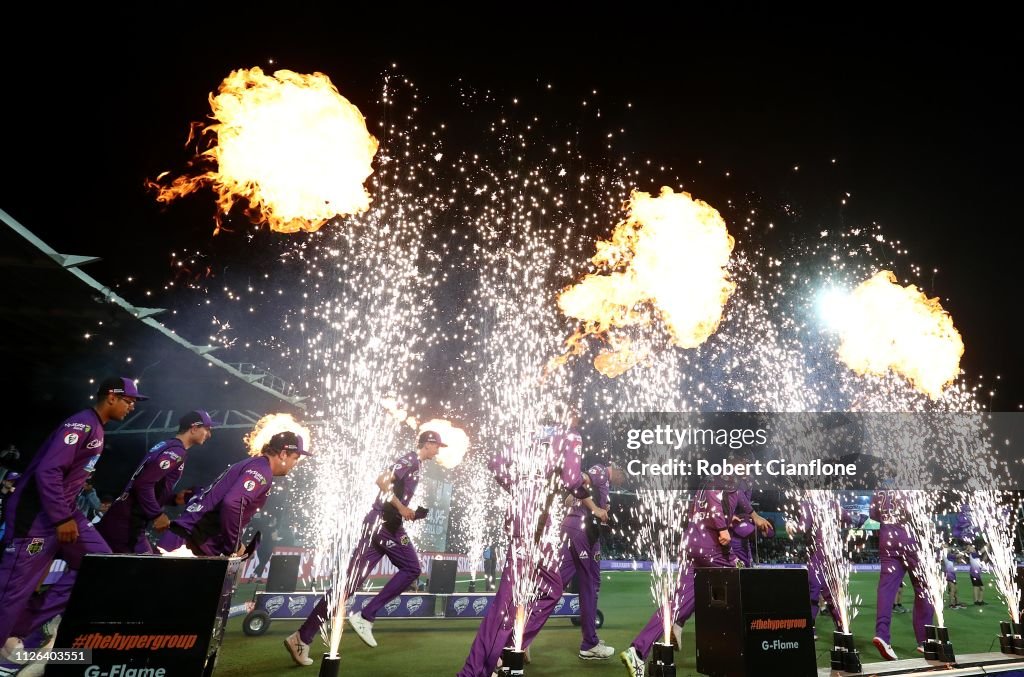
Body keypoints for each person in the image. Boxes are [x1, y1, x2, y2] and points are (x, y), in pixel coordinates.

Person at [0, 376, 145, 663]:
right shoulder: (81, 424)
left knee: (101, 562)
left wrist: (67, 514)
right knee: (12, 589)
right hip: (37, 517)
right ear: (112, 397)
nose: (131, 407)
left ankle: (19, 629)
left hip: (65, 513)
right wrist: (61, 516)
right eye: (129, 401)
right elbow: (48, 472)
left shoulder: (97, 429)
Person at [287, 430, 443, 665]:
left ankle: (301, 637)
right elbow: (381, 481)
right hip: (384, 525)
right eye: (437, 445)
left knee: (347, 586)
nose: (438, 450)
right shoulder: (410, 459)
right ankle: (366, 616)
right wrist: (401, 509)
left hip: (380, 523)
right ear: (428, 444)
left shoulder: (416, 464)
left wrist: (407, 512)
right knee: (412, 569)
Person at [456, 410, 590, 677]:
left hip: (524, 518)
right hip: (538, 524)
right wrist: (586, 494)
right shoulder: (571, 436)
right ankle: (473, 672)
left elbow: (495, 463)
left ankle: (508, 648)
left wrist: (519, 489)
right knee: (506, 602)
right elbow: (572, 479)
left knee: (552, 588)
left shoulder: (528, 433)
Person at [620, 479, 742, 677]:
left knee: (677, 602)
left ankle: (637, 651)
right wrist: (724, 528)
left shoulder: (704, 483)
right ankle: (750, 648)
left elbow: (703, 508)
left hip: (691, 543)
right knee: (743, 580)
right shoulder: (728, 480)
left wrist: (727, 519)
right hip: (710, 547)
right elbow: (718, 505)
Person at [156, 430, 309, 557]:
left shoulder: (252, 464)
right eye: (295, 458)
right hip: (189, 544)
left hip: (187, 539)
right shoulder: (261, 470)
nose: (295, 464)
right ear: (283, 454)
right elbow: (232, 503)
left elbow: (215, 497)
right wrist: (234, 546)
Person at [97, 410, 216, 553]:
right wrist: (157, 515)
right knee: (149, 570)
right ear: (194, 428)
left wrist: (173, 499)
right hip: (128, 522)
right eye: (207, 429)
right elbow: (143, 484)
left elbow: (149, 482)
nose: (209, 434)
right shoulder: (177, 452)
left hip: (124, 517)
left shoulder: (166, 445)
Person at [559, 461, 625, 660]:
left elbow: (570, 498)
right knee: (589, 585)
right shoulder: (601, 472)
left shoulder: (603, 483)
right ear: (617, 470)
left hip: (584, 531)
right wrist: (595, 509)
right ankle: (589, 643)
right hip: (582, 530)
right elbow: (579, 481)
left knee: (558, 583)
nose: (623, 482)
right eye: (624, 478)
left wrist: (600, 508)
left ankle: (520, 635)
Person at [870, 489, 935, 661]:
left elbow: (874, 515)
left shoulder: (879, 489)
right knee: (924, 589)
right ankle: (924, 638)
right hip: (912, 540)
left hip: (887, 540)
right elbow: (918, 513)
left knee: (885, 588)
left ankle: (882, 635)